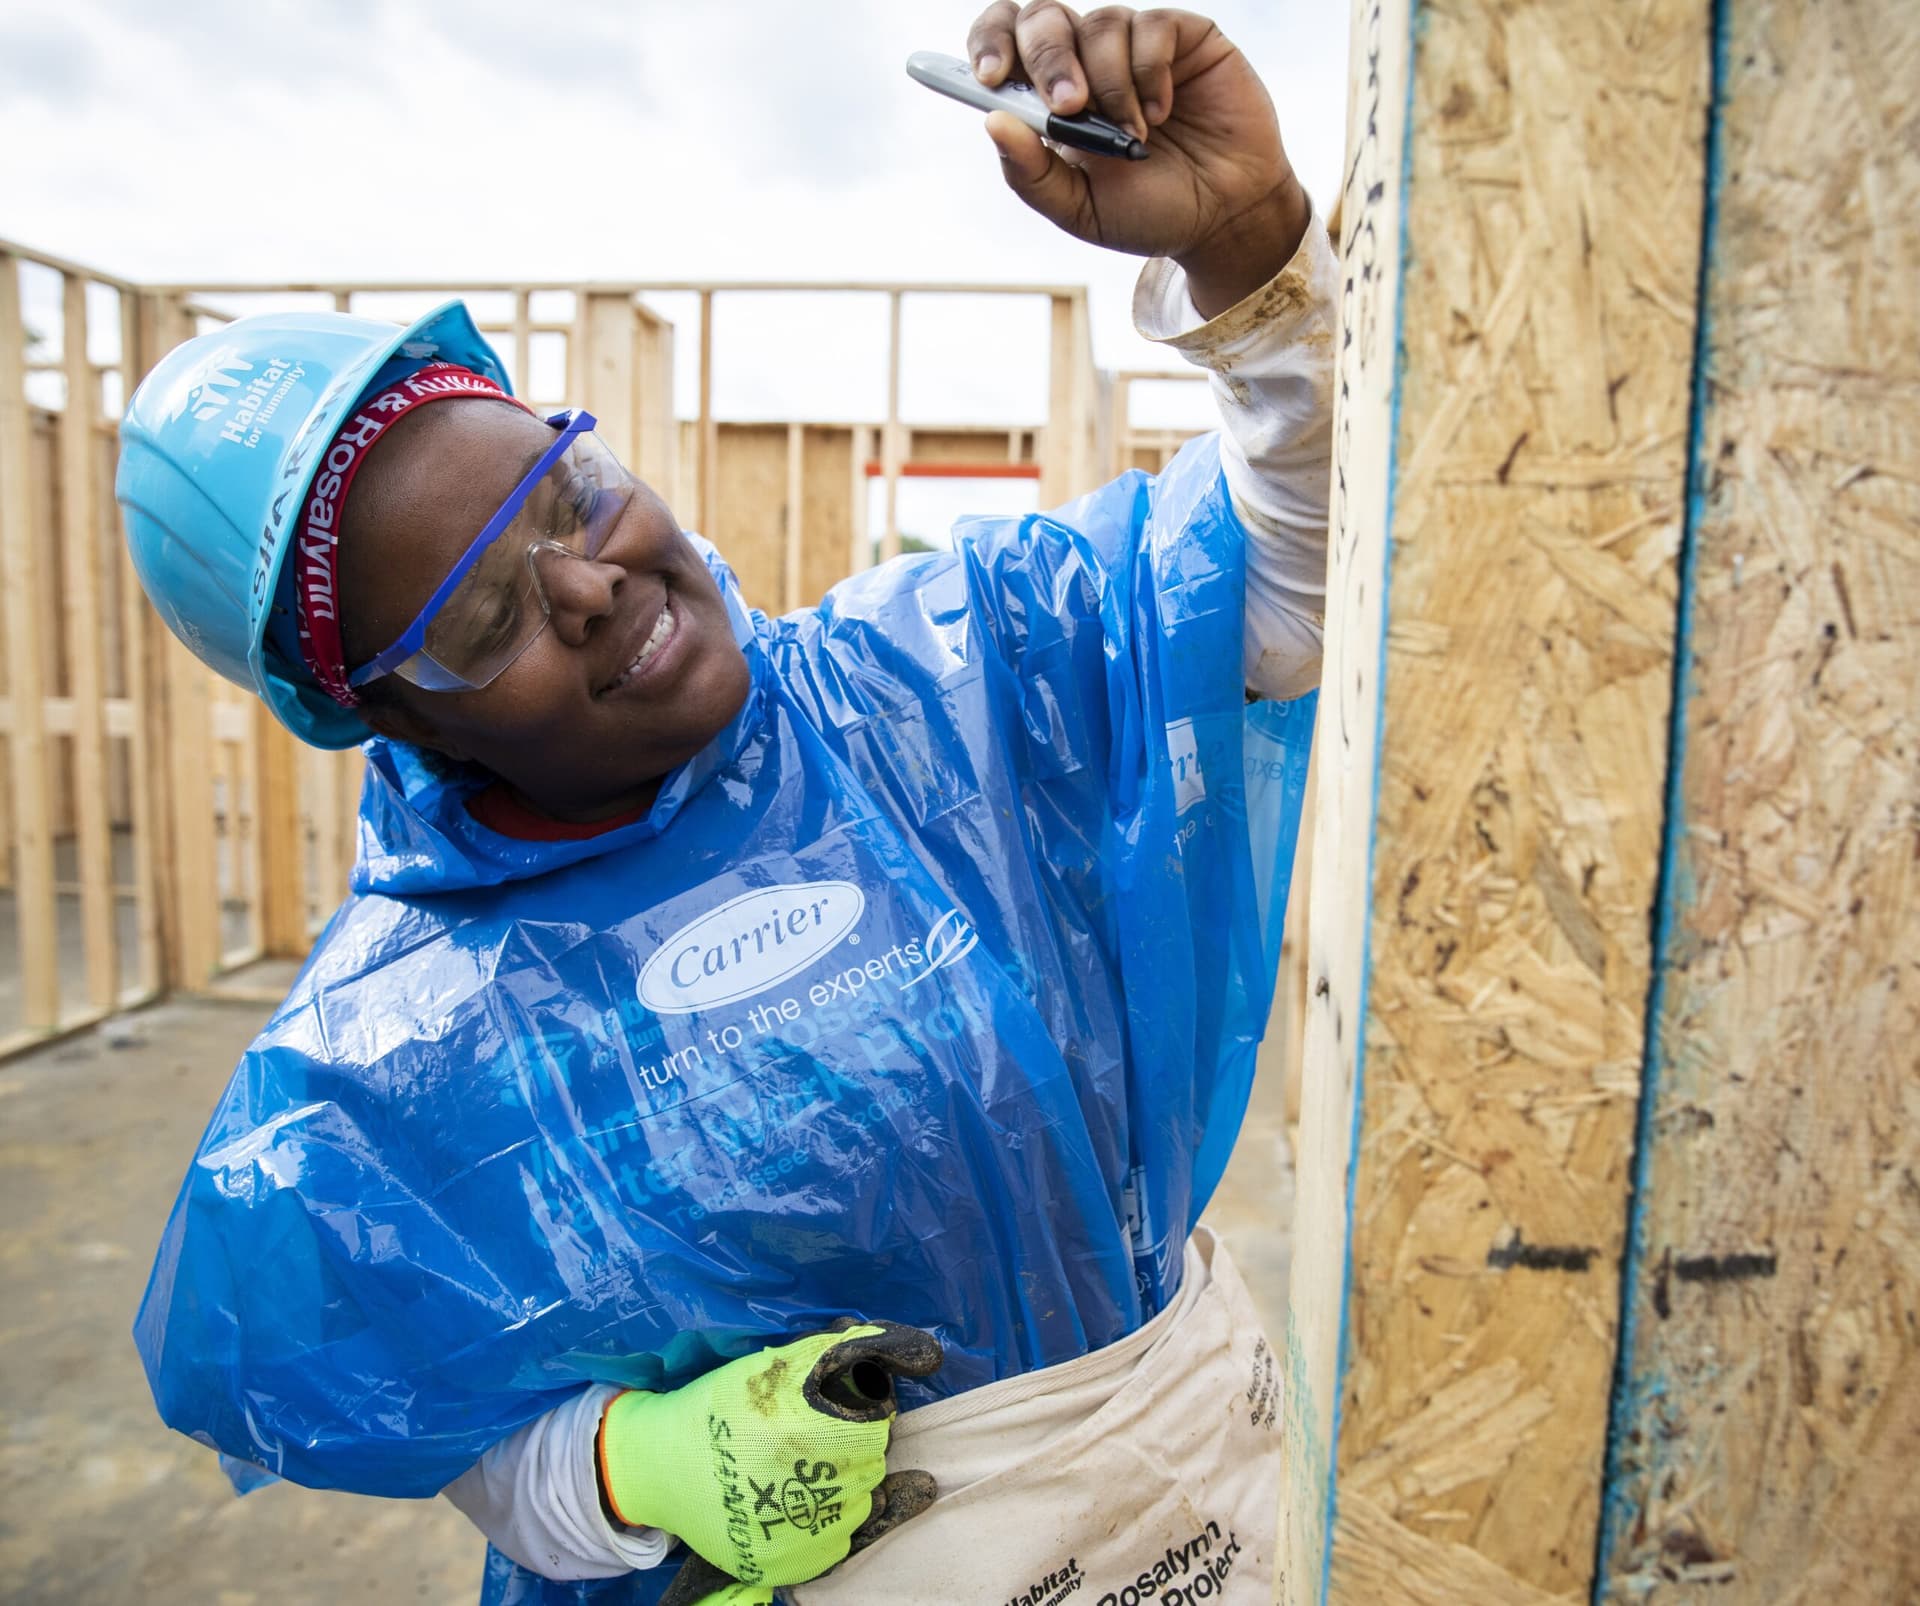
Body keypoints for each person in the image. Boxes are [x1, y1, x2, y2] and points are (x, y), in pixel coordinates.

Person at [117, 6, 1335, 1603]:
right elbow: (404, 1403)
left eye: (568, 492)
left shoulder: (955, 680)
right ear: (383, 718)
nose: (594, 584)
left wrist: (1251, 266)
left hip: (1194, 1514)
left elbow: (1299, 574)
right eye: (486, 621)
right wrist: (637, 1461)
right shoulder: (398, 1059)